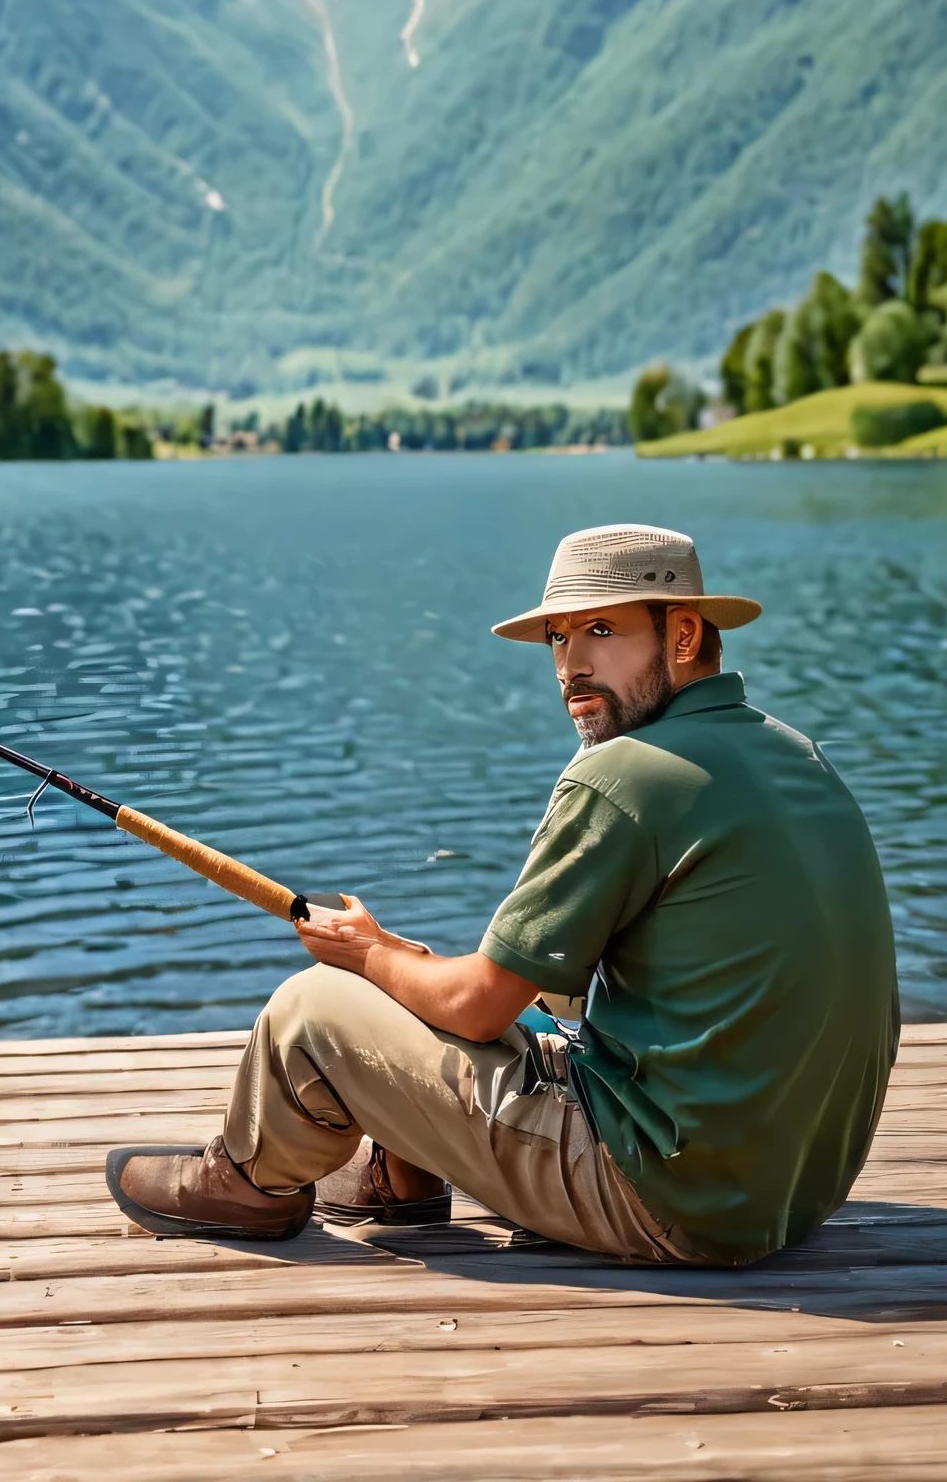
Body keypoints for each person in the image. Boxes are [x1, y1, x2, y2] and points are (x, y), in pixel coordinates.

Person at [106, 522, 899, 1265]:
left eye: (601, 631)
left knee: (313, 1010)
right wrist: (405, 966)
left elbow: (482, 1006)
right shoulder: (797, 756)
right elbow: (543, 993)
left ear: (684, 635)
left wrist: (370, 955)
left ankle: (248, 1184)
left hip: (675, 1200)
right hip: (798, 1193)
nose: (570, 665)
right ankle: (405, 1182)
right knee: (447, 992)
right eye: (559, 637)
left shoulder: (623, 777)